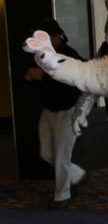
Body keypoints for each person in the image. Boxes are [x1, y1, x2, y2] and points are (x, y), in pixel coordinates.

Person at [24, 19, 86, 208]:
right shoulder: (40, 54)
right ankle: (76, 175)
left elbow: (71, 82)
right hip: (48, 109)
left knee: (61, 155)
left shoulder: (69, 55)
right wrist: (32, 77)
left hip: (67, 110)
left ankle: (62, 196)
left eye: (46, 37)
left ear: (57, 36)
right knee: (46, 153)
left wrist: (43, 77)